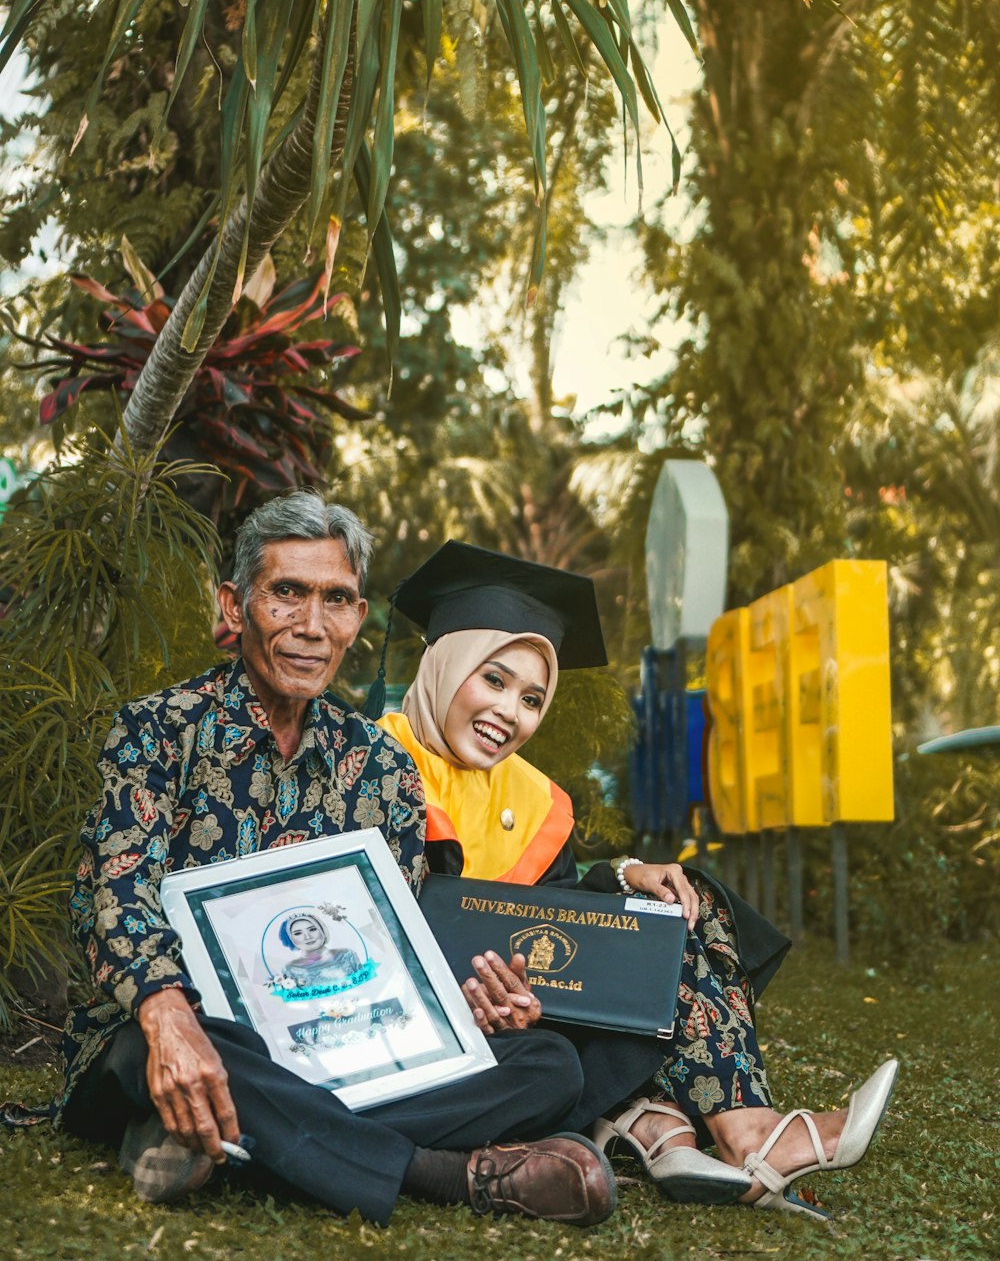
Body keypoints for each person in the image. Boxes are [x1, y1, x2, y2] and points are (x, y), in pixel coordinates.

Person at [56, 494, 616, 1229]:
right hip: (181, 1026)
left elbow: (394, 943)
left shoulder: (380, 765)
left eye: (338, 600)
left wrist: (469, 1002)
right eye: (287, 592)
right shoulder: (156, 730)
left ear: (358, 617)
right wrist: (169, 1016)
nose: (312, 626)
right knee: (177, 1037)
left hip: (330, 1039)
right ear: (234, 603)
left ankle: (225, 1135)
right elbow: (114, 897)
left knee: (549, 1064)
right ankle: (447, 1174)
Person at [376, 541, 899, 1219]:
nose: (511, 712)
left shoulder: (534, 798)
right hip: (426, 1019)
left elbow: (550, 910)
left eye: (533, 697)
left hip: (518, 1007)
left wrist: (627, 872)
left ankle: (704, 1124)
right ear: (445, 663)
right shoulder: (375, 762)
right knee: (565, 1046)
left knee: (679, 902)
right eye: (494, 678)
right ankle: (680, 1123)